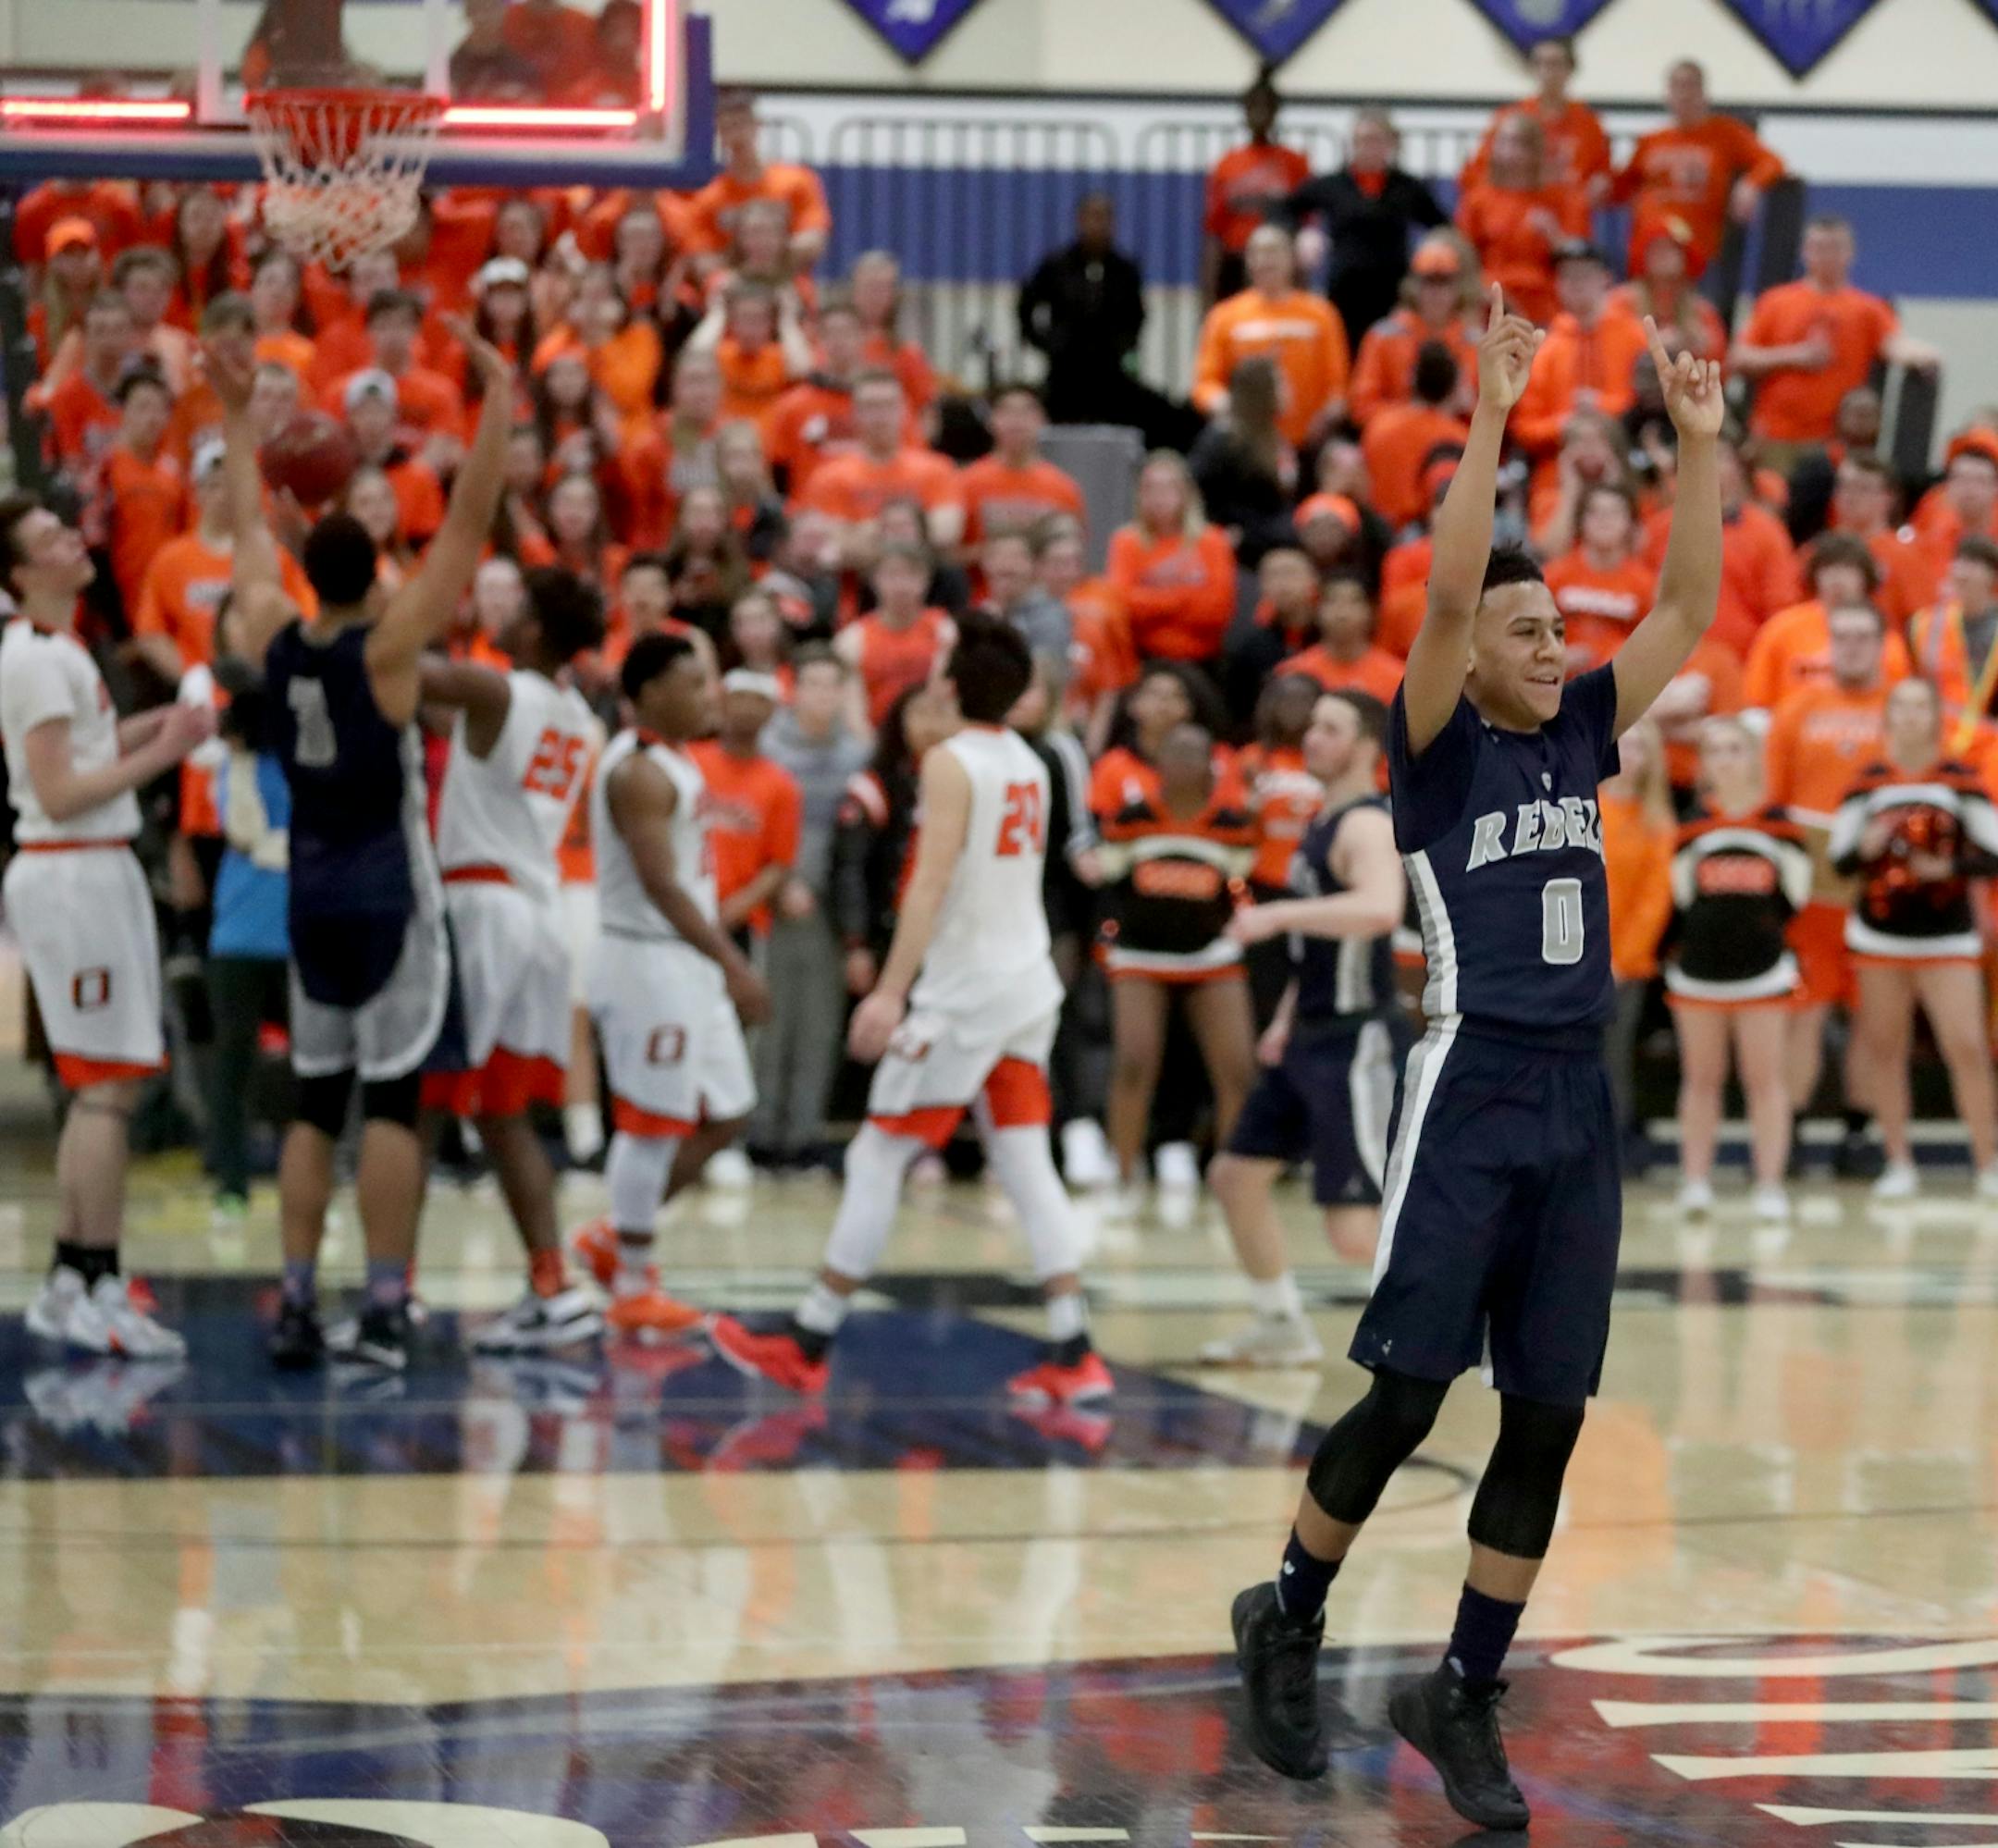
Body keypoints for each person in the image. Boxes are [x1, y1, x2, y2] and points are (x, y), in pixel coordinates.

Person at [1229, 293, 1726, 1829]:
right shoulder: (1437, 743)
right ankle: (1291, 1611)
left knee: (1552, 1410)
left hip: (1582, 1094)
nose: (1554, 641)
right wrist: (1499, 418)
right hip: (1469, 1079)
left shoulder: (1581, 728)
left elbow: (1686, 615)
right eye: (1532, 629)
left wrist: (1700, 450)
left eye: (1556, 629)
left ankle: (1463, 1683)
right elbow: (1448, 595)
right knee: (1409, 1388)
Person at [204, 317, 513, 1373]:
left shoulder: (266, 634)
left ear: (302, 572)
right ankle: (383, 1309)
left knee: (313, 1106)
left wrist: (240, 423)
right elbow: (468, 523)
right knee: (391, 1101)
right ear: (378, 568)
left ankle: (295, 1301)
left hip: (307, 892)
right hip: (390, 892)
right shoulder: (389, 650)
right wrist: (501, 400)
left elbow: (249, 540)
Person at [710, 617, 1112, 1410]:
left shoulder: (952, 763)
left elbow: (927, 886)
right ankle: (1073, 1348)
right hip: (1026, 982)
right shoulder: (1027, 759)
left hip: (965, 996)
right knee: (1026, 1159)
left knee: (876, 1158)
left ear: (952, 683)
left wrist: (891, 993)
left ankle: (809, 1339)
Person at [1, 494, 214, 1356]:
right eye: (50, 537)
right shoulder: (33, 659)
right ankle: (92, 1280)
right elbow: (55, 795)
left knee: (110, 1086)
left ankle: (71, 1279)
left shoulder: (56, 651)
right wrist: (163, 755)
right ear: (19, 574)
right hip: (72, 872)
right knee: (104, 1090)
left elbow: (79, 756)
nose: (72, 538)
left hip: (89, 871)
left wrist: (144, 728)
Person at [416, 566, 608, 1352]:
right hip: (539, 910)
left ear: (535, 633)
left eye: (518, 606)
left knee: (419, 1101)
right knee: (504, 1116)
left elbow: (402, 667)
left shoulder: (499, 692)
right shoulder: (576, 714)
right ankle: (551, 1285)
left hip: (482, 904)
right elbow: (430, 713)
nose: (502, 611)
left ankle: (391, 1290)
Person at [567, 633, 772, 1324]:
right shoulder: (640, 773)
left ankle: (614, 1234)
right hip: (649, 962)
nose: (707, 695)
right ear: (649, 692)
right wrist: (734, 963)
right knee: (652, 1125)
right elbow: (662, 886)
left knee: (729, 1111)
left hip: (685, 964)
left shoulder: (678, 760)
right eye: (692, 684)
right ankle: (630, 1284)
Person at [1202, 690, 1404, 1365]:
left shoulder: (1367, 826)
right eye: (1312, 726)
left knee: (1355, 1231)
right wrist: (1284, 1019)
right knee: (1234, 1176)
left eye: (1330, 728)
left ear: (1367, 746)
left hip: (1356, 1040)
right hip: (1309, 1034)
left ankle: (1487, 1305)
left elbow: (1380, 909)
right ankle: (1280, 1324)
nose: (1312, 737)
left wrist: (1274, 918)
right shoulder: (1322, 822)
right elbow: (1320, 942)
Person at [1830, 677, 1998, 1201]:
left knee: (1967, 1047)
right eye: (1899, 706)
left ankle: (1987, 1162)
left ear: (1935, 716)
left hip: (1948, 938)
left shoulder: (1961, 780)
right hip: (1879, 937)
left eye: (1920, 706)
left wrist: (1946, 866)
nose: (1909, 716)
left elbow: (1993, 852)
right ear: (1888, 717)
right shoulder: (1866, 783)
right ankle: (1898, 1162)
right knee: (1885, 1049)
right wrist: (1869, 842)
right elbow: (1840, 859)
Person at [1092, 718, 1260, 1197]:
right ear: (1159, 764)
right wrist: (1108, 944)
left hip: (1213, 957)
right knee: (1134, 1059)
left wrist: (1236, 933)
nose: (1184, 763)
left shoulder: (1233, 825)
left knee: (1237, 1068)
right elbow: (1109, 887)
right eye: (1175, 753)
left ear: (1211, 765)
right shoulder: (1130, 818)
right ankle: (1122, 1173)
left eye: (1194, 754)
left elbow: (1244, 893)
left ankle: (1231, 1177)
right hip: (1140, 956)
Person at [1665, 717, 1811, 1221]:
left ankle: (1769, 1184)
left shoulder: (1780, 824)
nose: (1724, 760)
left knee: (1765, 1080)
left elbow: (1796, 897)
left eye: (1734, 749)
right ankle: (1696, 1183)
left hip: (1763, 974)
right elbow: (1680, 898)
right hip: (1698, 975)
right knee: (1701, 1079)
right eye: (1715, 751)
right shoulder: (1689, 825)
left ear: (1753, 757)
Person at [753, 646, 872, 1173]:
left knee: (818, 1024)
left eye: (834, 685)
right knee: (770, 1019)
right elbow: (751, 824)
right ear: (793, 690)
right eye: (814, 684)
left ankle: (802, 1136)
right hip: (774, 896)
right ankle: (758, 1135)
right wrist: (780, 883)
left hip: (832, 904)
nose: (823, 695)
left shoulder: (857, 755)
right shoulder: (769, 748)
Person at [1734, 217, 1940, 462]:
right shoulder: (1775, 302)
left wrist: (1927, 354)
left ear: (1850, 253)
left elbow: (1895, 345)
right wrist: (1794, 356)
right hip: (1775, 435)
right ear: (1805, 252)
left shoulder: (1868, 308)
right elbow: (1740, 357)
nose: (1827, 256)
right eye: (1819, 247)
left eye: (1835, 248)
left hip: (1835, 440)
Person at [1274, 110, 1448, 347]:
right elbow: (1283, 210)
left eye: (1376, 140)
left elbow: (1443, 226)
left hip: (1393, 293)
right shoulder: (1333, 185)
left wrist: (1431, 249)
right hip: (1345, 293)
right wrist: (1303, 233)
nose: (1369, 147)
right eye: (1362, 140)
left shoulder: (1408, 188)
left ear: (1391, 144)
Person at [1612, 59, 1785, 277]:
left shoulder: (1725, 133)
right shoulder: (1650, 141)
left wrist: (1751, 184)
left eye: (1691, 86)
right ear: (1668, 94)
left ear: (1705, 93)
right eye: (1678, 87)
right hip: (1648, 251)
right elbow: (1621, 187)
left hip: (1698, 253)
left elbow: (1773, 162)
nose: (1685, 94)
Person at [1192, 226, 1351, 450]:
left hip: (1308, 443)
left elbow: (1339, 386)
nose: (1264, 261)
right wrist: (1232, 409)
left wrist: (1328, 416)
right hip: (1247, 446)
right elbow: (1205, 384)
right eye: (1256, 253)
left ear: (1291, 258)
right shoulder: (1223, 317)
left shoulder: (1321, 315)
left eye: (1273, 252)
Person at [1598, 719, 1674, 1173]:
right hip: (1570, 959)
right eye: (1622, 744)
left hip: (1624, 968)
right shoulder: (1580, 808)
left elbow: (1653, 903)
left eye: (1640, 748)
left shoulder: (1657, 823)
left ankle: (1612, 1148)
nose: (1630, 755)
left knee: (1613, 1058)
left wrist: (1620, 960)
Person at [1018, 194, 1150, 431]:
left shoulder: (1124, 269)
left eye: (1105, 218)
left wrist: (1123, 346)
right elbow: (1026, 306)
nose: (1098, 225)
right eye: (1093, 217)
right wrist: (1046, 343)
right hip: (1064, 373)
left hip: (1109, 374)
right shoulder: (1056, 265)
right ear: (1080, 220)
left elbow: (1137, 316)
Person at [1511, 241, 1648, 464]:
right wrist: (1564, 424)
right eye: (1567, 276)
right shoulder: (1545, 347)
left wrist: (1603, 405)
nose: (1576, 284)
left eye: (1584, 275)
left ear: (1606, 278)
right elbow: (1525, 428)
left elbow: (1650, 405)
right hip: (1558, 466)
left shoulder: (1635, 336)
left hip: (1626, 462)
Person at [1104, 454, 1239, 668]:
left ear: (1186, 493)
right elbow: (1122, 605)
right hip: (1143, 657)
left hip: (1203, 659)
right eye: (1150, 488)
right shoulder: (1126, 541)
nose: (1159, 497)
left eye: (1168, 488)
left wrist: (1152, 604)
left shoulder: (1213, 541)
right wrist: (1186, 598)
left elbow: (1218, 611)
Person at [1453, 116, 1587, 327]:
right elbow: (1462, 256)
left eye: (1518, 143)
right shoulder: (1477, 200)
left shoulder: (1561, 199)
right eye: (1503, 142)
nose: (1510, 151)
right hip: (1491, 299)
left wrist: (1553, 235)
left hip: (1545, 302)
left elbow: (1580, 256)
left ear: (1536, 151)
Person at [684, 88, 832, 277]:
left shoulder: (797, 181)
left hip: (787, 282)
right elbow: (702, 261)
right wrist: (747, 266)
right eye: (727, 128)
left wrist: (761, 253)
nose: (737, 136)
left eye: (741, 125)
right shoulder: (708, 198)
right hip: (733, 291)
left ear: (757, 126)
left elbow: (813, 242)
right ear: (718, 133)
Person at [1349, 235, 1483, 433]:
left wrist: (1469, 406)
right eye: (1429, 282)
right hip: (1397, 439)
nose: (1436, 293)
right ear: (1414, 286)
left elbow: (1496, 414)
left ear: (1458, 288)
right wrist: (1414, 414)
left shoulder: (1475, 342)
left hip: (1458, 442)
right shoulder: (1384, 336)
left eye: (1444, 282)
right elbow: (1361, 406)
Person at [1204, 68, 1313, 305]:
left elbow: (1306, 228)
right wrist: (1208, 293)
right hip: (1236, 260)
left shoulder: (1295, 164)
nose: (1260, 114)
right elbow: (1214, 231)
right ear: (1244, 112)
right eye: (1253, 107)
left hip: (1280, 264)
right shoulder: (1227, 164)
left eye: (1266, 107)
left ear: (1276, 112)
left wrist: (1303, 281)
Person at [1461, 35, 1612, 202]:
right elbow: (1479, 171)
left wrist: (1599, 186)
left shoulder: (1588, 122)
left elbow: (1603, 174)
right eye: (1539, 63)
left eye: (1555, 64)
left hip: (1570, 212)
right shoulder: (1510, 118)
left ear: (1570, 69)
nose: (1546, 72)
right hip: (1519, 209)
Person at [1188, 356, 1300, 572]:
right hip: (1239, 560)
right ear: (1261, 391)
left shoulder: (1276, 439)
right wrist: (1220, 533)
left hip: (1273, 549)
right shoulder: (1224, 440)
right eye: (1282, 384)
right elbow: (1196, 490)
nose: (1290, 391)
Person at [835, 542, 956, 732]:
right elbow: (852, 710)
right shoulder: (852, 639)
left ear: (926, 580)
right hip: (875, 738)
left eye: (911, 575)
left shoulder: (945, 629)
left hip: (933, 732)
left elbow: (946, 696)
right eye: (892, 576)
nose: (902, 586)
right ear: (874, 580)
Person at [1543, 484, 1658, 674]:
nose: (1605, 520)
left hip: (1619, 685)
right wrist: (1558, 657)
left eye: (1615, 512)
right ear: (1581, 521)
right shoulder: (1554, 575)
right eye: (1595, 512)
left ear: (1631, 523)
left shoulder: (1645, 584)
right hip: (1558, 681)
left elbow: (1655, 646)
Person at [959, 384, 1086, 552]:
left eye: (1026, 412)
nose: (1016, 421)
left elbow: (1075, 553)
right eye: (1007, 411)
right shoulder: (967, 482)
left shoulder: (1064, 488)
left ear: (1042, 420)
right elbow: (950, 557)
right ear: (991, 420)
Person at [1361, 342, 1469, 532]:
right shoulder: (1458, 437)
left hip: (1376, 531)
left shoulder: (1378, 424)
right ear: (1455, 386)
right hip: (1425, 534)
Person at [1278, 568, 1405, 704]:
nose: (1342, 612)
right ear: (1317, 609)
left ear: (1372, 611)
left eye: (1354, 602)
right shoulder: (1292, 674)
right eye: (1332, 601)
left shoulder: (1398, 679)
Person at [1906, 536, 1998, 714]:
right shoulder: (1924, 625)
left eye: (1973, 564)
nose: (1963, 572)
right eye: (1959, 562)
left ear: (1992, 576)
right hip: (1940, 732)